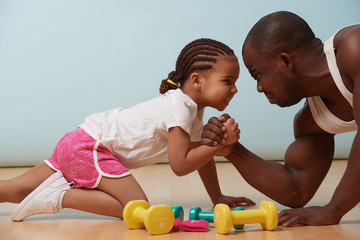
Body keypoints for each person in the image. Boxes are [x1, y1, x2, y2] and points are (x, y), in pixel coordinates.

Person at [1, 38, 255, 221]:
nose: (234, 89)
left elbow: (198, 157)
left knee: (16, 189)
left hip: (79, 140)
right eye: (227, 81)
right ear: (197, 80)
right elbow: (180, 165)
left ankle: (52, 193)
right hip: (91, 148)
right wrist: (218, 146)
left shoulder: (190, 109)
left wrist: (217, 196)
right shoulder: (179, 109)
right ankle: (59, 197)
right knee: (137, 207)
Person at [200, 11, 360, 227]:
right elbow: (297, 190)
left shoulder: (354, 48)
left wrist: (333, 210)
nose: (259, 88)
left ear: (285, 62)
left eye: (257, 75)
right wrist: (233, 150)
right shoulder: (312, 121)